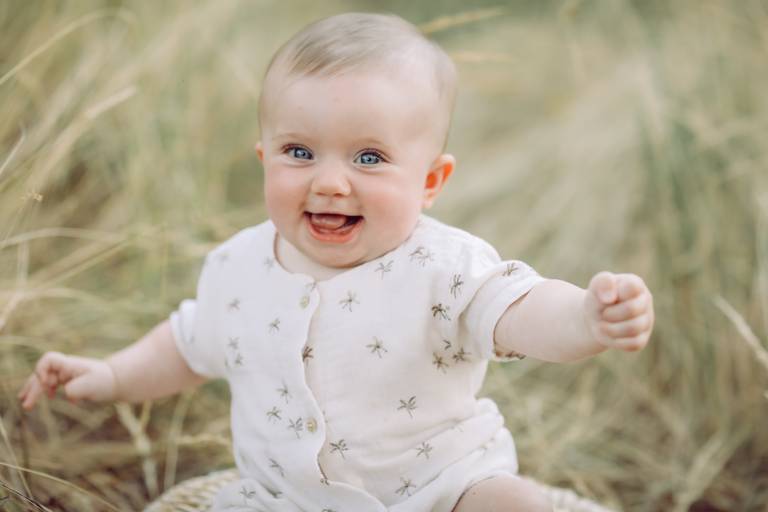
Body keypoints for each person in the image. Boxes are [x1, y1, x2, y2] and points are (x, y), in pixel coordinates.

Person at [18, 12, 654, 512]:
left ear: (431, 181)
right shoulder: (238, 267)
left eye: (369, 158)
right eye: (299, 151)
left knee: (514, 503)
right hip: (284, 500)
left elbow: (520, 311)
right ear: (264, 158)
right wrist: (109, 375)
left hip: (440, 493)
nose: (329, 182)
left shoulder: (444, 266)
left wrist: (585, 318)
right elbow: (188, 345)